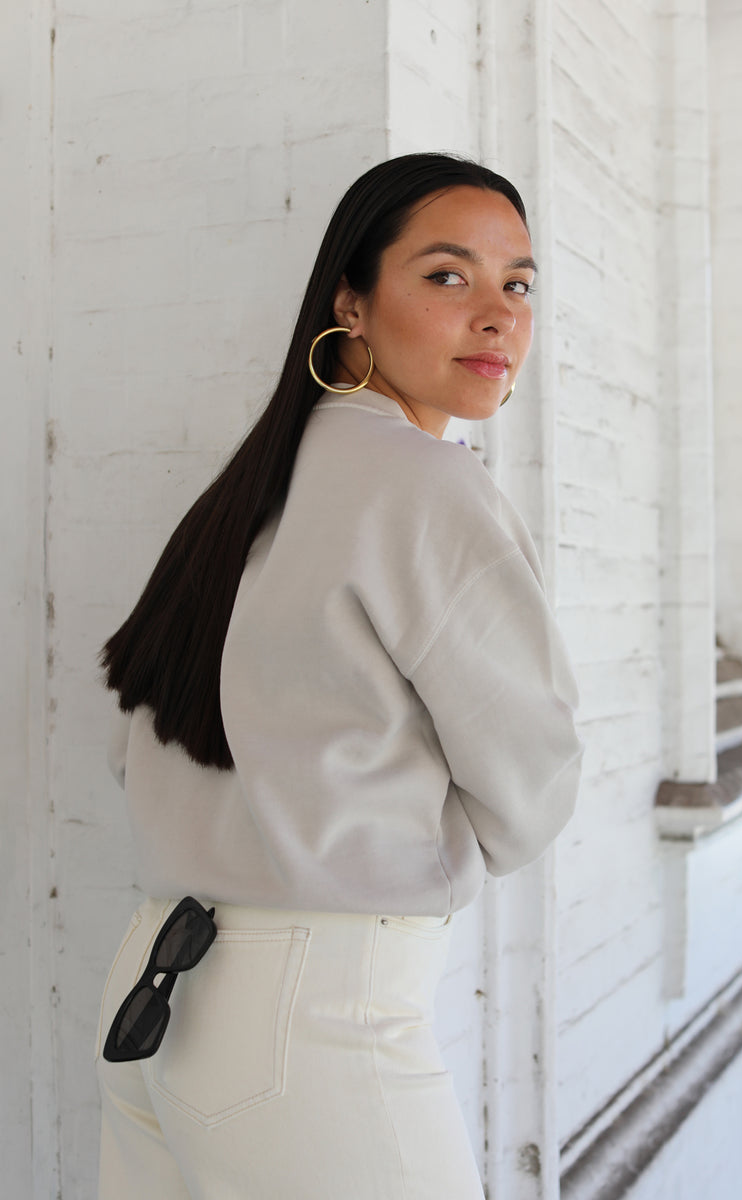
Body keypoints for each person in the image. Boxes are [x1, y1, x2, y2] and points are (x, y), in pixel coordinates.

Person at [95, 152, 583, 1200]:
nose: (497, 316)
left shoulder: (249, 488)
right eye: (447, 277)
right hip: (310, 1024)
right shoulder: (422, 487)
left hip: (163, 995)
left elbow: (138, 736)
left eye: (519, 282)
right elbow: (530, 796)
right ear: (350, 305)